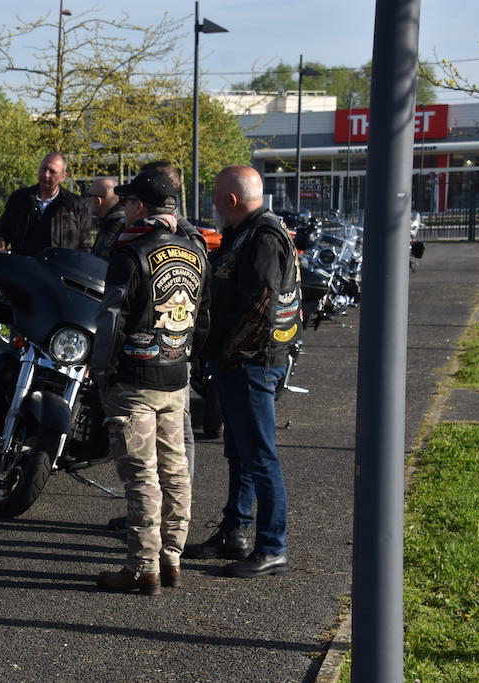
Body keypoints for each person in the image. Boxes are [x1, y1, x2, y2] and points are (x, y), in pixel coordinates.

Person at [91, 171, 209, 594]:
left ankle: (143, 568)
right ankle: (172, 558)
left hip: (134, 381)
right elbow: (203, 319)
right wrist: (185, 358)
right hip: (175, 375)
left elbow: (112, 319)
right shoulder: (195, 249)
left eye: (128, 202)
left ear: (140, 206)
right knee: (175, 470)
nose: (123, 209)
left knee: (142, 475)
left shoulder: (130, 253)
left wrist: (100, 368)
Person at [183, 165, 302, 579]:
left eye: (216, 197)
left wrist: (226, 353)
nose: (213, 205)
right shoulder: (245, 231)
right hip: (240, 363)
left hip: (252, 364)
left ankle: (272, 547)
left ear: (230, 200)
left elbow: (260, 306)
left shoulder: (263, 237)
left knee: (261, 457)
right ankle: (234, 532)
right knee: (240, 454)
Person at [0, 152, 92, 255]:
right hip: (24, 263)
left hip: (60, 264)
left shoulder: (75, 205)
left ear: (63, 176)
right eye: (44, 169)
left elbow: (84, 245)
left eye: (52, 172)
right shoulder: (20, 199)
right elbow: (2, 230)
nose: (46, 175)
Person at [88, 176, 125, 259]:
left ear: (98, 201)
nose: (87, 200)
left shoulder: (117, 227)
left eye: (89, 196)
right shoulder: (108, 222)